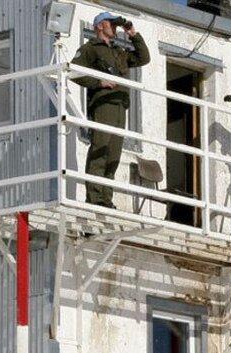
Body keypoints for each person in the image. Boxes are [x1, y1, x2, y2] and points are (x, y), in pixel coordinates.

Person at [71, 11, 150, 208]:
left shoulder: (118, 51)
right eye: (111, 24)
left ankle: (106, 199)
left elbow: (143, 57)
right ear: (99, 26)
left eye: (116, 25)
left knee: (114, 154)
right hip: (103, 104)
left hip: (120, 105)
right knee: (100, 150)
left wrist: (133, 34)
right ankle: (95, 199)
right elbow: (74, 72)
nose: (115, 28)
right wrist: (98, 82)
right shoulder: (91, 48)